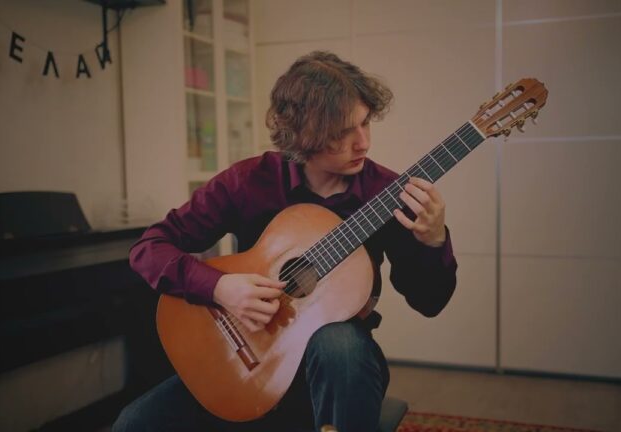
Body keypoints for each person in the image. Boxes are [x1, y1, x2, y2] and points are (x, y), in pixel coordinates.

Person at [113, 51, 458, 432]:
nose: (362, 143)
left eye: (365, 123)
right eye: (342, 133)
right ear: (302, 133)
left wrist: (433, 240)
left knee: (338, 342)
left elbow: (430, 302)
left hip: (338, 372)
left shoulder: (387, 193)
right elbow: (149, 247)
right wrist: (220, 287)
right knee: (134, 425)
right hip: (247, 362)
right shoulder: (249, 181)